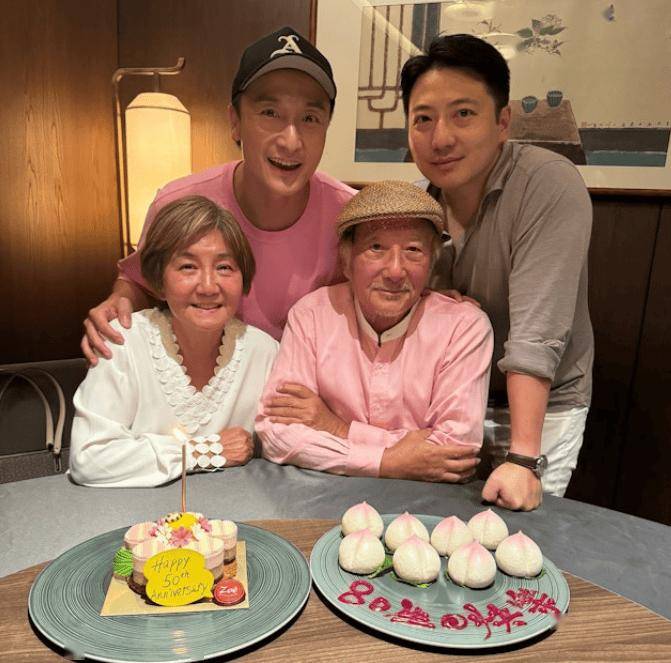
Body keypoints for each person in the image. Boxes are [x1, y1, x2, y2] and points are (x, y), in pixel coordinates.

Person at [400, 34, 594, 510]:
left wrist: (523, 458)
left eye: (463, 114)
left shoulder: (546, 184)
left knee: (516, 537)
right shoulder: (418, 206)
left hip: (540, 408)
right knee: (433, 531)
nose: (440, 138)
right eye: (423, 119)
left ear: (503, 122)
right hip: (450, 404)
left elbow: (537, 333)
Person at [82, 26, 355, 361]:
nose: (291, 141)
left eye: (310, 118)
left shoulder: (349, 217)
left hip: (305, 384)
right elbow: (139, 282)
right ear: (234, 121)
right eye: (270, 113)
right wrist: (119, 302)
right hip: (203, 381)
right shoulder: (178, 203)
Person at [256, 181, 493, 481]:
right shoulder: (312, 315)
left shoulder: (464, 327)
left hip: (427, 501)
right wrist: (388, 461)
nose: (395, 271)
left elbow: (455, 451)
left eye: (413, 250)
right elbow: (277, 433)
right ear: (346, 261)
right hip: (324, 492)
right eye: (376, 248)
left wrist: (339, 429)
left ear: (432, 264)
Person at [69, 196, 278, 487]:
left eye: (224, 267)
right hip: (134, 513)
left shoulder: (264, 351)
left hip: (236, 509)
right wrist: (207, 451)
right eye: (188, 267)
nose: (208, 286)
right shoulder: (123, 341)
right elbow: (90, 459)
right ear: (158, 281)